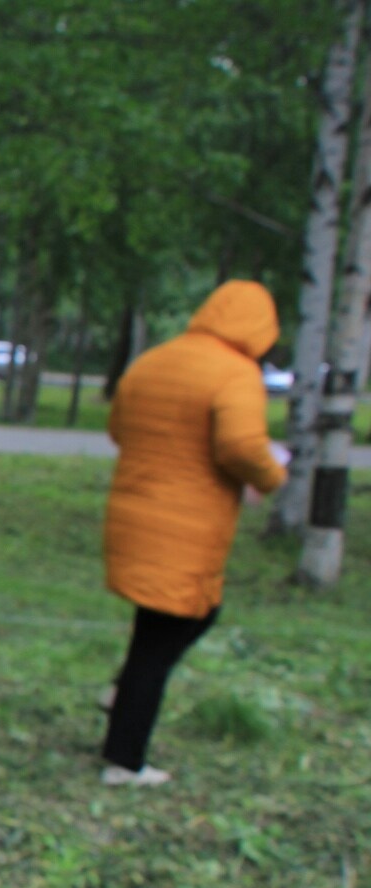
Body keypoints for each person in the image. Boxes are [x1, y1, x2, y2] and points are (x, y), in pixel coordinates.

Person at [98, 280, 287, 787]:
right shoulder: (237, 372)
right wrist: (274, 476)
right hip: (184, 528)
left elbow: (119, 427)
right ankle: (124, 759)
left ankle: (121, 700)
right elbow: (242, 447)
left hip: (133, 517)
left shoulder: (156, 359)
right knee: (166, 636)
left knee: (162, 628)